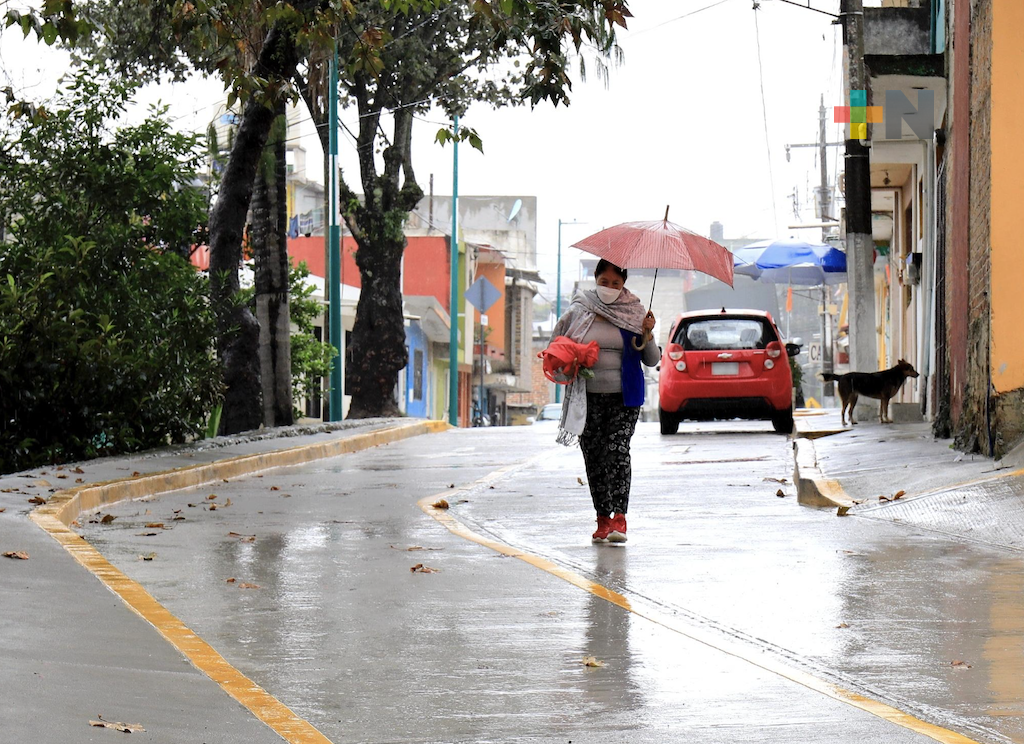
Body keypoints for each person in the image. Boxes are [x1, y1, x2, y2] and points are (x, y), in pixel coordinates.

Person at [550, 259, 659, 543]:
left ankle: (620, 519)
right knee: (594, 456)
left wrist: (647, 333)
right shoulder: (579, 311)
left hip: (625, 398)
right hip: (586, 397)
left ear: (623, 284)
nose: (609, 288)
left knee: (617, 449)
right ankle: (602, 518)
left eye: (615, 283)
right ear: (595, 278)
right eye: (604, 282)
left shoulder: (635, 313)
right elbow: (557, 346)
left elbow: (652, 360)